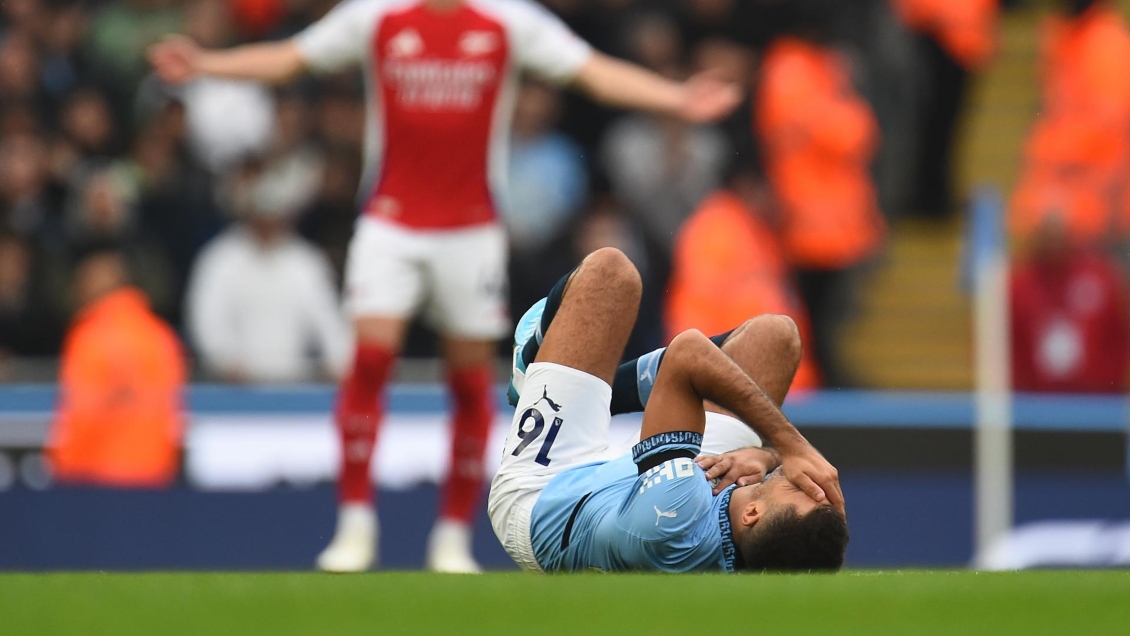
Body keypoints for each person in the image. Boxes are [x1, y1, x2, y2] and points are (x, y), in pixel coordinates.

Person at [148, 0, 740, 573]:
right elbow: (294, 57)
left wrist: (677, 99)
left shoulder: (507, 19)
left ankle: (452, 537)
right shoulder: (376, 15)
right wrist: (205, 65)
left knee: (465, 380)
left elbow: (590, 69)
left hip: (470, 229)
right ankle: (354, 525)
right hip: (390, 221)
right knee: (369, 365)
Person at [490, 248, 847, 573]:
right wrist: (766, 456)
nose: (809, 485)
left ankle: (537, 370)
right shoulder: (750, 530)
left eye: (801, 493)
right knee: (775, 339)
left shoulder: (678, 510)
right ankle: (590, 392)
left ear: (754, 513)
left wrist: (792, 447)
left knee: (611, 274)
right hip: (641, 490)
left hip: (549, 498)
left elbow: (687, 353)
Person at [185, 162, 350, 384]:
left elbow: (329, 321)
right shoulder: (221, 259)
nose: (269, 223)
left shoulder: (306, 262)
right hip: (235, 388)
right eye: (263, 214)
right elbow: (207, 319)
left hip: (294, 386)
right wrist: (226, 359)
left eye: (275, 215)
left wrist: (340, 361)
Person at [48, 245, 187, 488]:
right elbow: (174, 417)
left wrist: (61, 469)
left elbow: (80, 415)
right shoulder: (160, 336)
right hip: (153, 479)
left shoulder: (89, 337)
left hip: (92, 479)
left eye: (86, 277)